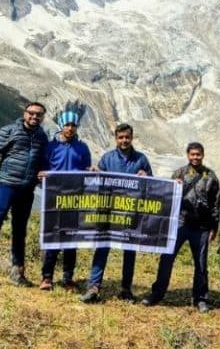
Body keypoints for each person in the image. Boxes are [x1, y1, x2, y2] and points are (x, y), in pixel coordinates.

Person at [0, 102, 49, 287]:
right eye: (31, 113)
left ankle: (18, 272)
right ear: (24, 113)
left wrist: (42, 173)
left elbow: (42, 161)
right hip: (5, 185)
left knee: (20, 230)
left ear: (42, 117)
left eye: (38, 115)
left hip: (27, 189)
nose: (34, 117)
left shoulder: (41, 136)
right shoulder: (9, 130)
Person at [141, 142, 220, 312]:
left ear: (203, 155)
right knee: (166, 259)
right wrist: (173, 185)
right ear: (187, 155)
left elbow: (215, 203)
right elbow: (167, 195)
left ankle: (201, 299)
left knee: (201, 264)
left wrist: (214, 227)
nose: (195, 158)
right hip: (180, 223)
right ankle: (157, 294)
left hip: (202, 227)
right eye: (192, 154)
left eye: (198, 154)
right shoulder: (179, 173)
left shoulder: (211, 176)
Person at [80, 123, 152, 303]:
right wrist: (96, 172)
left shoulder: (141, 160)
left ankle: (126, 289)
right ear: (116, 139)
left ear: (132, 137)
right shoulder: (107, 158)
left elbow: (151, 186)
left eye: (127, 137)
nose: (124, 141)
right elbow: (98, 183)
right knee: (102, 247)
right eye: (120, 138)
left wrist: (147, 178)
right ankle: (94, 287)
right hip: (108, 212)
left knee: (129, 251)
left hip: (130, 212)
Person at [37, 101, 92, 292]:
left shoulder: (83, 148)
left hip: (74, 199)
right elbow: (41, 169)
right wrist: (42, 175)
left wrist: (90, 171)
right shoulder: (50, 147)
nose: (70, 128)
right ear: (61, 126)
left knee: (70, 240)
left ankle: (68, 279)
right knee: (53, 238)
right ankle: (47, 277)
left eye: (73, 125)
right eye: (67, 125)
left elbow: (86, 169)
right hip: (53, 198)